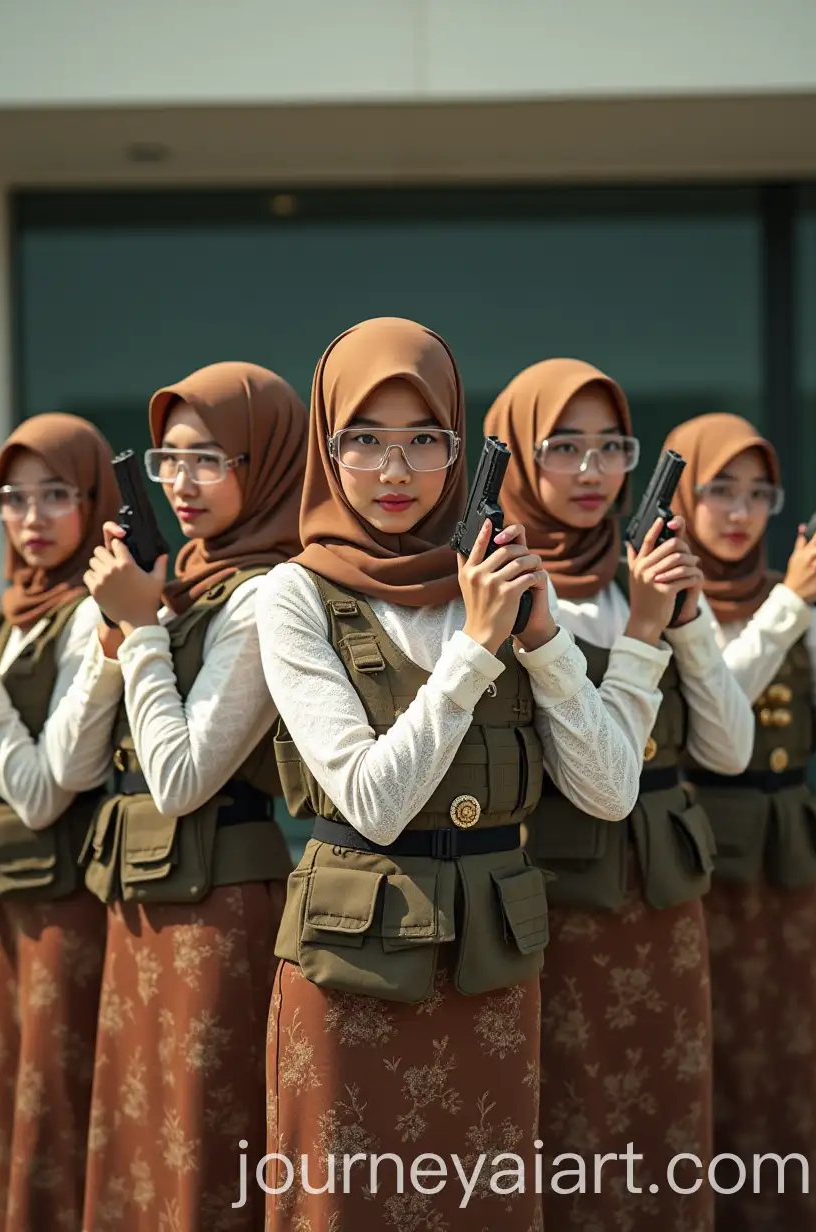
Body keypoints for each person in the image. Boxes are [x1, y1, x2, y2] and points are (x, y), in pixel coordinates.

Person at [256, 318, 674, 1231]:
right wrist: (479, 650)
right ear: (327, 454)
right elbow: (371, 802)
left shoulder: (499, 577)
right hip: (353, 965)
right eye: (361, 440)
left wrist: (545, 641)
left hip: (490, 963)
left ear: (458, 447)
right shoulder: (293, 594)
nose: (394, 470)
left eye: (423, 441)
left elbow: (609, 791)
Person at [485, 361, 755, 1232]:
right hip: (555, 899)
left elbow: (730, 746)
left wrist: (683, 619)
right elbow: (580, 771)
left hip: (663, 900)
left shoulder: (646, 573)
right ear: (517, 458)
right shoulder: (498, 592)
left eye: (612, 447)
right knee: (565, 1123)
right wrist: (642, 629)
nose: (593, 470)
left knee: (664, 1120)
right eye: (564, 447)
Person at [47, 362, 307, 1232]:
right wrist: (114, 628)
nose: (182, 483)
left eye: (210, 460)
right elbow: (83, 764)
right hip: (137, 899)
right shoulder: (172, 573)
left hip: (218, 911)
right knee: (137, 1142)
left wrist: (145, 629)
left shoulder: (273, 591)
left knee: (204, 1140)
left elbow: (185, 776)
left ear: (266, 463)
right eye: (168, 459)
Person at [664, 412, 816, 1232]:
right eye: (720, 490)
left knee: (784, 1053)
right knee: (707, 1058)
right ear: (682, 496)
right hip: (704, 858)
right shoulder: (667, 595)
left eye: (758, 493)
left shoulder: (793, 599)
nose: (741, 512)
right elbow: (719, 716)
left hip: (788, 862)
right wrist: (791, 601)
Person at [0, 414, 120, 1232]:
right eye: (14, 497)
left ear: (96, 501)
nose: (32, 518)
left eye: (57, 494)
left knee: (57, 1112)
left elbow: (42, 791)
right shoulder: (9, 612)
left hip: (70, 903)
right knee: (17, 1104)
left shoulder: (92, 613)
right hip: (10, 897)